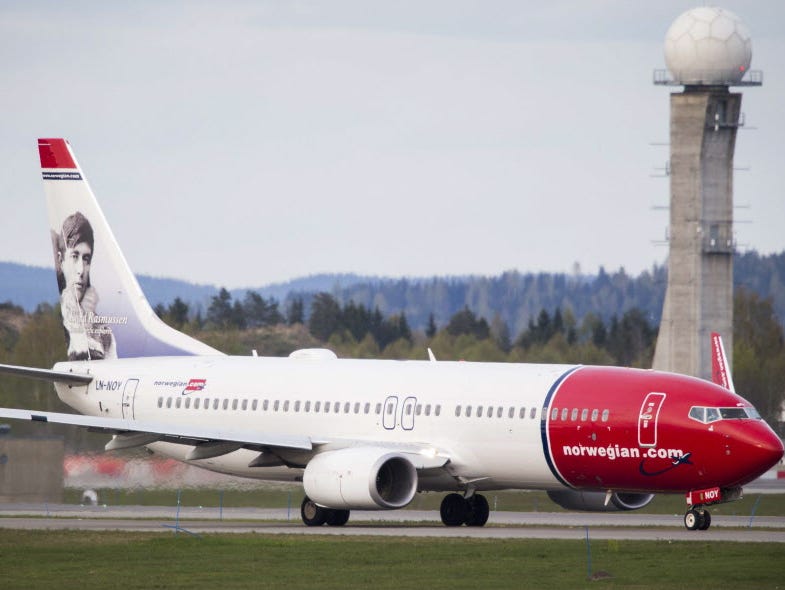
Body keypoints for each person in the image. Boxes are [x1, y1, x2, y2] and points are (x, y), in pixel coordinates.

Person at [55, 211, 116, 360]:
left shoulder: (104, 333)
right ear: (61, 261)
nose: (81, 270)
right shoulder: (61, 324)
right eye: (74, 256)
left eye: (86, 259)